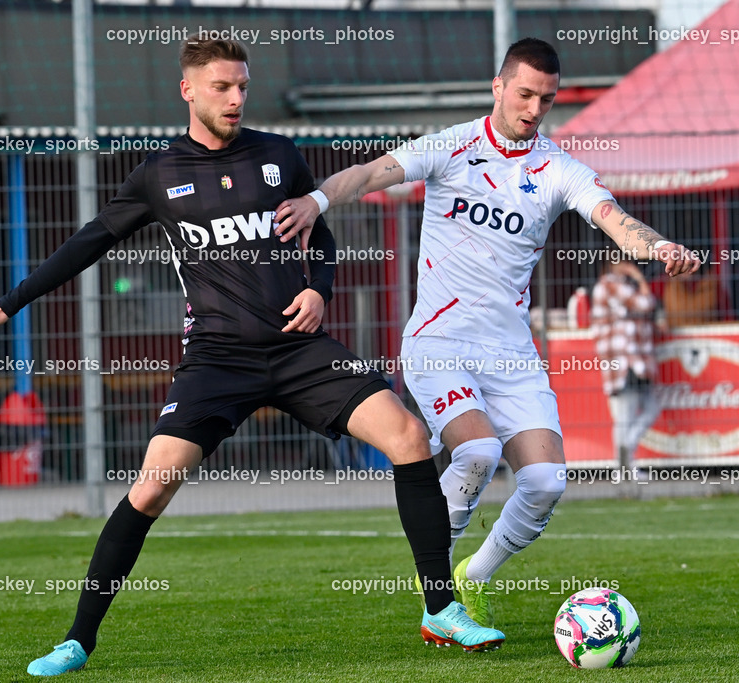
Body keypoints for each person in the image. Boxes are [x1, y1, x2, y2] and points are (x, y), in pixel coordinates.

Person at [0, 39, 504, 677]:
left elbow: (318, 230)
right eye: (222, 87)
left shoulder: (278, 154)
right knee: (154, 486)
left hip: (299, 347)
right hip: (217, 358)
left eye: (243, 86)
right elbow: (88, 243)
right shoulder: (158, 175)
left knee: (409, 435)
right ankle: (78, 640)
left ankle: (440, 608)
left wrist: (317, 289)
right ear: (188, 90)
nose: (236, 98)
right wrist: (9, 303)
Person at [274, 37, 700, 628]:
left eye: (546, 99)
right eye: (524, 94)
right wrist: (318, 200)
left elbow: (612, 218)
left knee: (548, 481)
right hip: (438, 343)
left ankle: (472, 577)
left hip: (510, 353)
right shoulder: (454, 146)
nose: (533, 108)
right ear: (498, 87)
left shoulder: (557, 169)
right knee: (476, 451)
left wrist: (658, 248)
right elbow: (374, 172)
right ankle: (438, 603)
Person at [591, 260, 665, 470]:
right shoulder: (610, 284)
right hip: (623, 359)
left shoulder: (620, 286)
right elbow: (645, 304)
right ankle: (624, 465)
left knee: (648, 408)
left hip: (635, 358)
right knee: (625, 415)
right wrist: (639, 277)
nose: (630, 264)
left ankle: (624, 460)